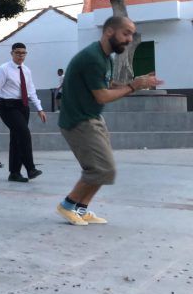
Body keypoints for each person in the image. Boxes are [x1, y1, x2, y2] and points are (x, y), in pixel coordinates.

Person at [56, 16, 162, 226]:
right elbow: (102, 96)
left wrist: (134, 82)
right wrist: (133, 87)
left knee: (102, 170)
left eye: (131, 34)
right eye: (126, 33)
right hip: (79, 121)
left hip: (92, 118)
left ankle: (81, 208)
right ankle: (68, 205)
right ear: (109, 32)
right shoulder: (92, 58)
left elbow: (108, 83)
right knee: (101, 169)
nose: (130, 39)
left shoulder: (106, 58)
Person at [0, 42, 46, 183]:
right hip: (8, 106)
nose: (21, 55)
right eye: (18, 53)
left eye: (23, 53)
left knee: (17, 139)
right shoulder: (3, 69)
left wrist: (39, 108)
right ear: (12, 53)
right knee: (24, 133)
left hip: (23, 106)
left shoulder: (27, 70)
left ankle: (14, 173)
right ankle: (30, 168)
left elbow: (31, 91)